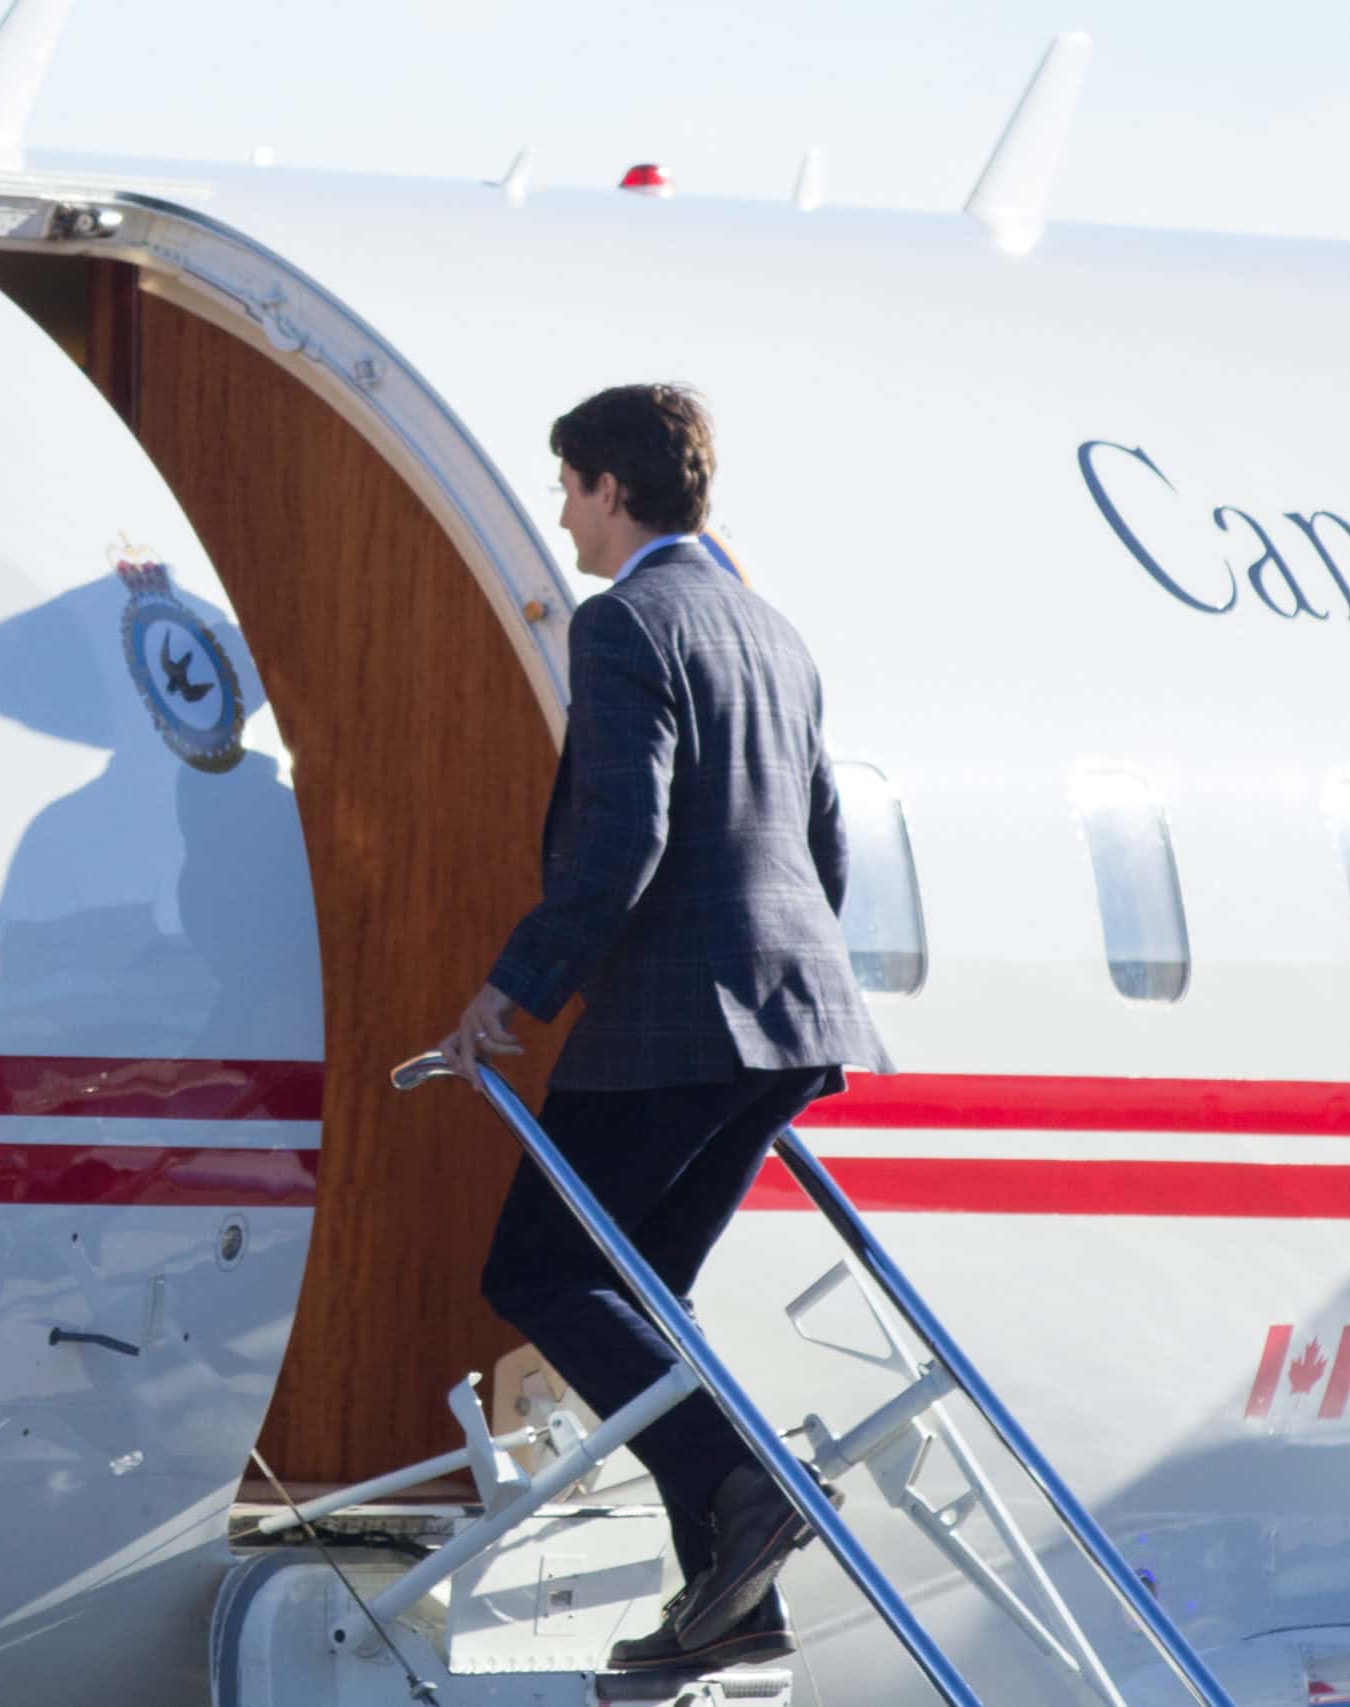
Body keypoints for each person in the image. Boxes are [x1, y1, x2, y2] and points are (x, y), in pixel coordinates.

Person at [439, 383, 891, 1672]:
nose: (563, 513)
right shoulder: (771, 626)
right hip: (793, 1009)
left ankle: (743, 1482)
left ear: (611, 488)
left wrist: (511, 991)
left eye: (567, 484)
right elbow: (822, 845)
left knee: (540, 1270)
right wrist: (785, 984)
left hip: (681, 1016)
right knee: (650, 1292)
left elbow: (620, 837)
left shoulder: (626, 621)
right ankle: (729, 1594)